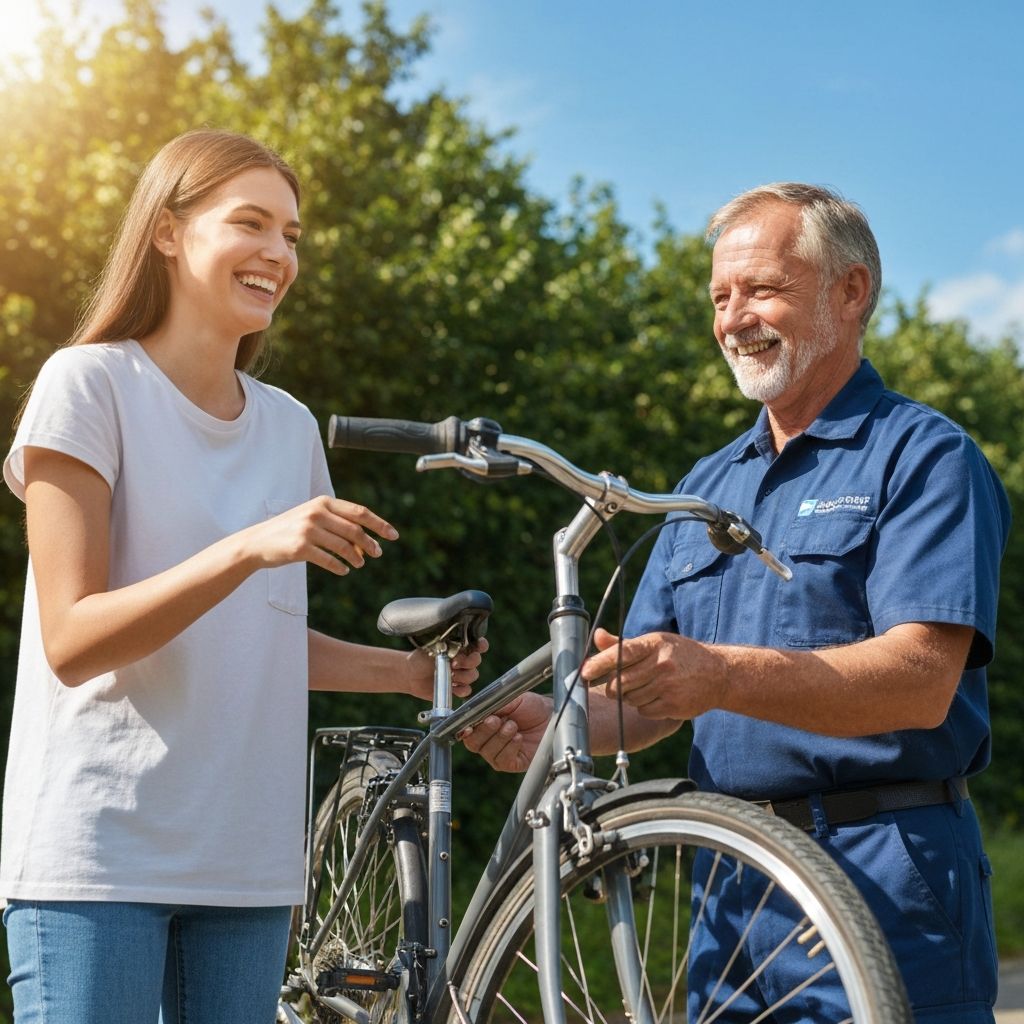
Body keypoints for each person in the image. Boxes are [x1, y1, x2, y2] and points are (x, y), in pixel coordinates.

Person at [463, 182, 1010, 1023]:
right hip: (728, 880)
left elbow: (920, 680)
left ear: (851, 290)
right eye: (720, 297)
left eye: (761, 289)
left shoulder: (926, 457)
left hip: (887, 874)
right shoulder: (704, 489)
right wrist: (559, 724)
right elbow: (654, 697)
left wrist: (718, 674)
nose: (734, 318)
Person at [1, 128, 484, 1024]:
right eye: (252, 223)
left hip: (248, 864)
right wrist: (250, 544)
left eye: (293, 235)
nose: (278, 253)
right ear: (169, 232)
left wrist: (412, 675)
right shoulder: (88, 386)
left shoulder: (288, 427)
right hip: (101, 857)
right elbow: (72, 639)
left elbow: (254, 638)